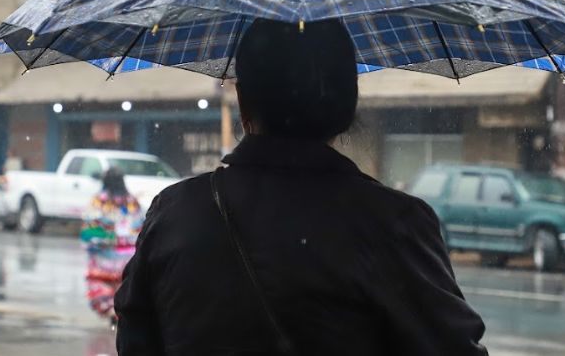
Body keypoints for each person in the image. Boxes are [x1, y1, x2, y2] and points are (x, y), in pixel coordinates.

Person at [115, 18, 488, 355]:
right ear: (349, 102)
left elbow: (135, 341)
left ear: (243, 101)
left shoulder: (175, 213)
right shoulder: (394, 224)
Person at [81, 167, 143, 323]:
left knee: (101, 289)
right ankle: (120, 314)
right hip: (128, 257)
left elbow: (90, 230)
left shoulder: (100, 201)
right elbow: (140, 226)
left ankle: (112, 313)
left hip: (104, 257)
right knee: (123, 290)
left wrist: (100, 239)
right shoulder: (132, 201)